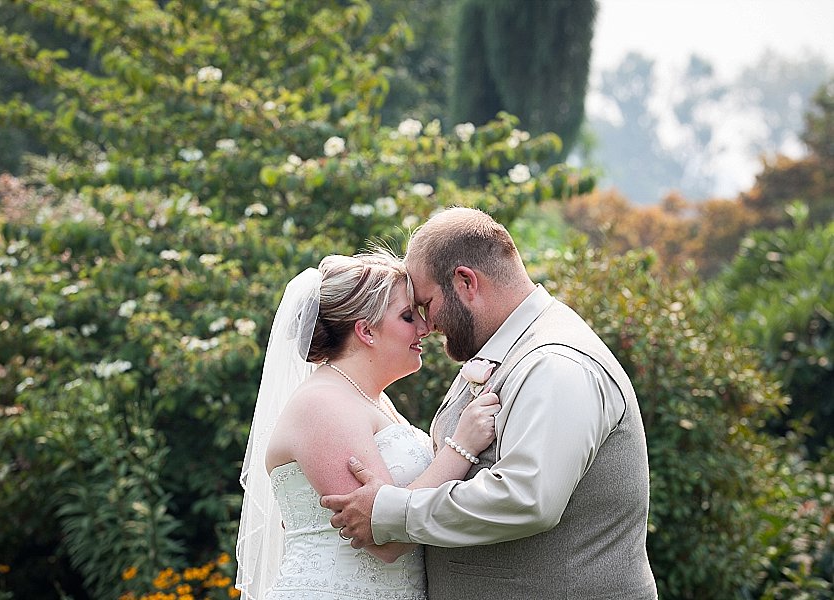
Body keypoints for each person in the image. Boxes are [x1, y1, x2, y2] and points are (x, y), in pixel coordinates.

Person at [321, 208, 658, 599]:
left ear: (466, 282)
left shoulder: (555, 363)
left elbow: (527, 498)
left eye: (427, 304)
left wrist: (391, 511)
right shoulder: (503, 352)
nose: (427, 326)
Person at [235, 251, 501, 600]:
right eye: (408, 316)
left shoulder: (370, 399)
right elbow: (386, 540)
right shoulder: (323, 405)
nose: (425, 328)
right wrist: (461, 447)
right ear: (366, 331)